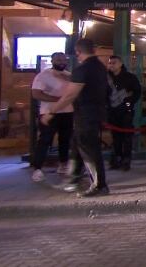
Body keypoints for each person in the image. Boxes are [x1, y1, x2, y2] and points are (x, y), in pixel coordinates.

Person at [48, 38, 110, 197]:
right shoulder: (100, 67)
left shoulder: (82, 69)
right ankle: (73, 180)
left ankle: (99, 185)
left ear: (78, 52)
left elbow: (70, 95)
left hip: (85, 114)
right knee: (77, 145)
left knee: (89, 149)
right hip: (95, 112)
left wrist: (52, 111)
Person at [30, 53, 74, 182]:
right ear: (52, 60)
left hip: (67, 112)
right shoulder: (43, 75)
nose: (61, 62)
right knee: (45, 140)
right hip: (49, 113)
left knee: (65, 139)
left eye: (64, 59)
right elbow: (36, 94)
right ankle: (37, 169)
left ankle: (63, 164)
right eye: (58, 59)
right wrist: (59, 100)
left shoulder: (69, 75)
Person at [107, 56, 142, 171]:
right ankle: (116, 158)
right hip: (112, 111)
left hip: (126, 110)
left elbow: (137, 92)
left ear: (120, 64)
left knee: (127, 136)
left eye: (114, 63)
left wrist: (129, 101)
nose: (111, 65)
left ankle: (126, 159)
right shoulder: (106, 77)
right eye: (110, 63)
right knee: (115, 135)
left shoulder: (130, 77)